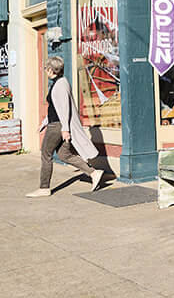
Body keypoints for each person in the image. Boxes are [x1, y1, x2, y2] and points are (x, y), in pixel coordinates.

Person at [25, 55, 115, 197]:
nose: (45, 70)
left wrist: (65, 130)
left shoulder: (60, 84)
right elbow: (55, 107)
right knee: (64, 155)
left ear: (51, 70)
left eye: (46, 68)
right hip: (57, 123)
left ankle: (44, 188)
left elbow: (64, 109)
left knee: (46, 154)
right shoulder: (59, 82)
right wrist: (44, 122)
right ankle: (94, 173)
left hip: (57, 126)